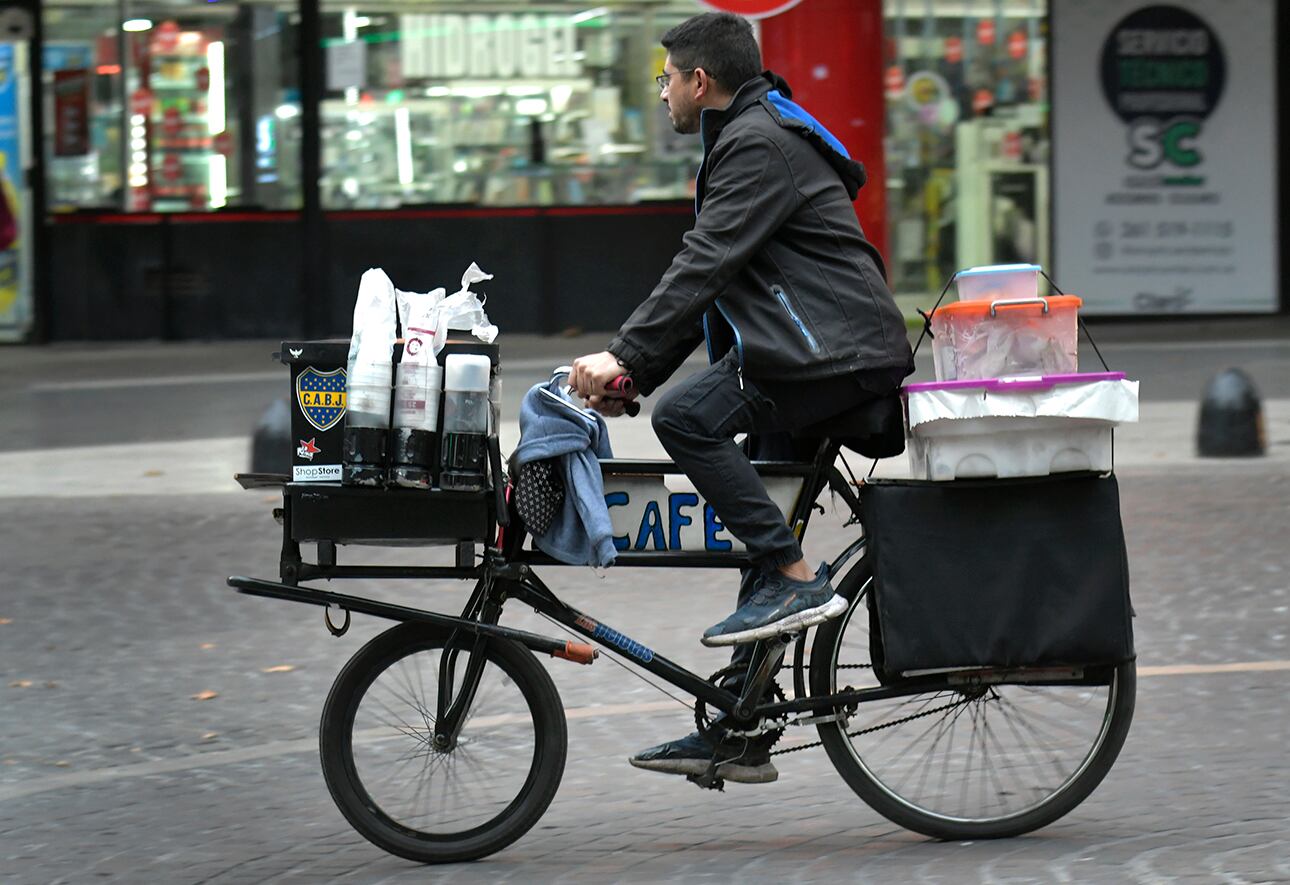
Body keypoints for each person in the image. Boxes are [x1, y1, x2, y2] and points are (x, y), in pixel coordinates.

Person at [568, 12, 913, 783]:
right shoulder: (751, 134)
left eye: (667, 79)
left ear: (700, 81)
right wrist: (635, 371)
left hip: (830, 357)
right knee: (762, 527)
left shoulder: (757, 144)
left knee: (687, 420)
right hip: (812, 351)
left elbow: (703, 265)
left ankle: (797, 578)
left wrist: (626, 355)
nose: (662, 94)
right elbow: (719, 287)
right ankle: (742, 724)